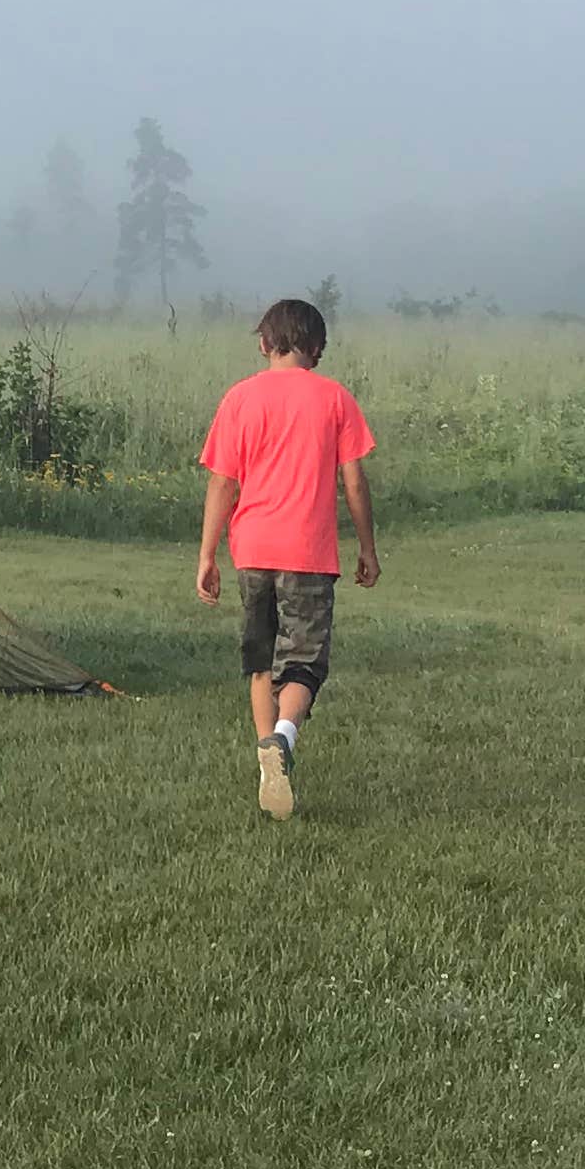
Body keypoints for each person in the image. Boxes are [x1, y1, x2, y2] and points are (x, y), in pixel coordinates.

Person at [192, 296, 378, 819]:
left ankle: (266, 763)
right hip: (309, 554)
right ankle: (284, 741)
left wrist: (207, 555)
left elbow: (222, 483)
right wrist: (367, 547)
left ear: (263, 342)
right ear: (317, 349)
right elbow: (355, 483)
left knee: (260, 662)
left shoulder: (240, 399)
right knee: (303, 663)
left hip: (251, 550)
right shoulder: (335, 399)